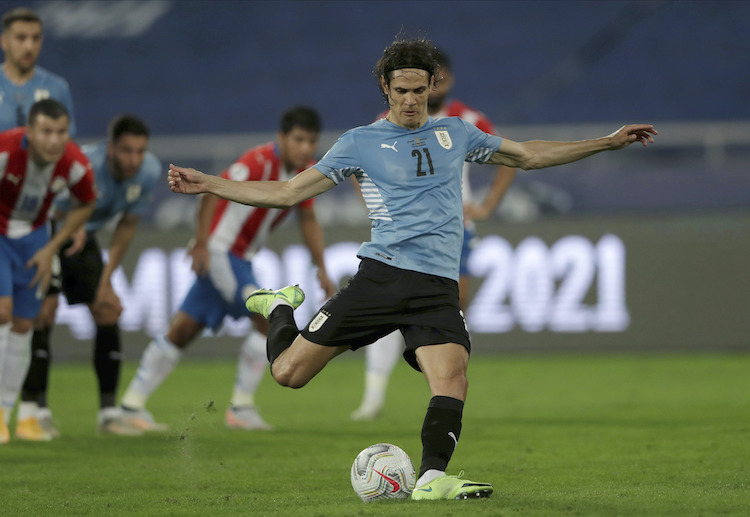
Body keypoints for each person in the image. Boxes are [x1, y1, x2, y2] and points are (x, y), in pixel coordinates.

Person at [166, 37, 657, 500]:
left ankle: (432, 479)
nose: (410, 101)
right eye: (401, 91)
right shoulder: (359, 143)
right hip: (382, 277)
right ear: (386, 87)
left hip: (436, 286)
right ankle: (278, 307)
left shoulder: (456, 133)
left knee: (453, 376)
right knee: (287, 374)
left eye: (419, 91)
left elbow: (527, 154)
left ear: (433, 86)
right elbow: (286, 192)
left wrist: (607, 142)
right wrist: (208, 182)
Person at [119, 106, 336, 432]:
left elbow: (307, 219)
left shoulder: (302, 174)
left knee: (182, 330)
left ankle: (130, 406)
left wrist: (321, 268)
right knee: (268, 317)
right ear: (282, 138)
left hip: (239, 258)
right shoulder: (257, 161)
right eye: (299, 140)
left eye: (310, 142)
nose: (305, 148)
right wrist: (203, 242)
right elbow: (210, 189)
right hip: (222, 253)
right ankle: (241, 408)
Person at [351, 47, 518, 421]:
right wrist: (375, 208)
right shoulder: (386, 121)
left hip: (455, 234)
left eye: (430, 81)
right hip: (401, 238)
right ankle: (373, 397)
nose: (414, 94)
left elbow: (512, 159)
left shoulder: (467, 120)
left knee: (452, 310)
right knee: (390, 315)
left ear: (440, 82)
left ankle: (443, 395)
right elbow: (354, 165)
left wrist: (488, 205)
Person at [15, 115, 161, 439]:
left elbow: (127, 225)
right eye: (126, 150)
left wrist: (107, 278)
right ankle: (35, 411)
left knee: (108, 307)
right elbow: (48, 204)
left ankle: (109, 414)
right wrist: (73, 223)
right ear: (110, 148)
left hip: (84, 236)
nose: (133, 159)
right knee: (42, 312)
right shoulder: (84, 166)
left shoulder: (149, 171)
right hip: (46, 230)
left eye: (139, 151)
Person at [0, 98, 95, 444]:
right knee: (2, 313)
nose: (54, 140)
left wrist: (52, 249)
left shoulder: (74, 164)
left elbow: (86, 203)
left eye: (61, 132)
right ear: (29, 132)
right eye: (46, 132)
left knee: (26, 325)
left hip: (36, 243)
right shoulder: (6, 150)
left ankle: (5, 414)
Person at [1, 7, 76, 134]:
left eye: (35, 38)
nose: (29, 46)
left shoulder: (57, 88)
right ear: (4, 42)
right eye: (21, 38)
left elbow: (67, 142)